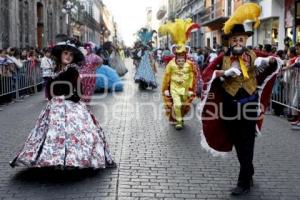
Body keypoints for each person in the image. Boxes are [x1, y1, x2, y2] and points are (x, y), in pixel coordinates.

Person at [200, 3, 281, 195]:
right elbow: (206, 74)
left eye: (241, 39)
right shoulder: (222, 57)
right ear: (229, 41)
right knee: (238, 142)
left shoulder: (253, 55)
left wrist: (271, 61)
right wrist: (224, 72)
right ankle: (249, 171)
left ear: (245, 40)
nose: (238, 42)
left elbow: (273, 59)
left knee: (247, 142)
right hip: (229, 107)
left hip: (250, 105)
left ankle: (243, 182)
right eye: (234, 39)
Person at [10, 38, 116, 169]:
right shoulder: (58, 70)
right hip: (55, 107)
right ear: (60, 55)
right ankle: (54, 158)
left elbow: (79, 92)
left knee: (72, 134)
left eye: (71, 55)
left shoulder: (72, 70)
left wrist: (67, 98)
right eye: (66, 53)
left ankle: (71, 159)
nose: (68, 56)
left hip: (70, 107)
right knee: (52, 134)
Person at [159, 18, 199, 130]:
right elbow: (166, 77)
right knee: (176, 104)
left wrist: (191, 89)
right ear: (176, 55)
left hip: (185, 89)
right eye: (179, 56)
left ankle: (178, 117)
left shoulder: (190, 64)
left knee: (183, 105)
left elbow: (193, 76)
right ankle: (179, 122)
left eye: (183, 56)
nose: (181, 59)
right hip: (174, 88)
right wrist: (166, 88)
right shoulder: (171, 64)